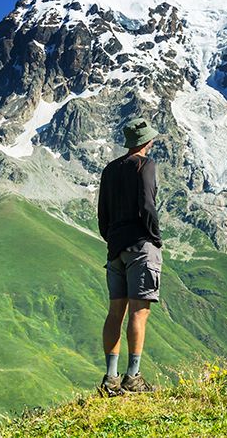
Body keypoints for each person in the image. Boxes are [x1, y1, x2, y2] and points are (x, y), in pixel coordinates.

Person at [96, 117, 163, 395]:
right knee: (139, 311)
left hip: (115, 250)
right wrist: (155, 237)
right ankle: (132, 378)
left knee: (115, 312)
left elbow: (102, 215)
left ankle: (111, 378)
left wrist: (113, 239)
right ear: (147, 141)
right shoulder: (145, 165)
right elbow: (147, 204)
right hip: (140, 245)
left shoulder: (109, 170)